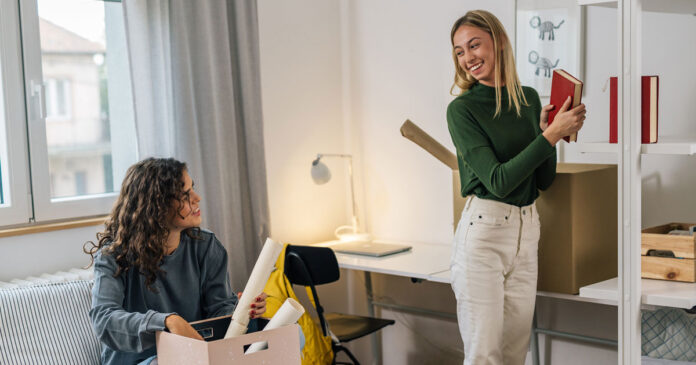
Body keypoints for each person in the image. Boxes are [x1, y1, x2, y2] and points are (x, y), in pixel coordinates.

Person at [446, 10, 586, 365]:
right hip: (484, 234)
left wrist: (547, 136)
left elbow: (542, 181)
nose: (468, 58)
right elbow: (499, 181)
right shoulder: (462, 110)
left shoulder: (527, 98)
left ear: (500, 41)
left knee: (513, 354)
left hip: (528, 231)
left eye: (474, 45)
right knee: (484, 355)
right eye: (460, 51)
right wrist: (550, 135)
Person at [84, 157, 267, 365]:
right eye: (185, 195)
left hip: (196, 357)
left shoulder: (206, 246)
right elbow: (104, 320)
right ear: (157, 205)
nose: (197, 198)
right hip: (143, 361)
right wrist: (166, 321)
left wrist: (241, 310)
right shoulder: (112, 257)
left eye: (193, 189)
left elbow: (218, 310)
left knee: (294, 336)